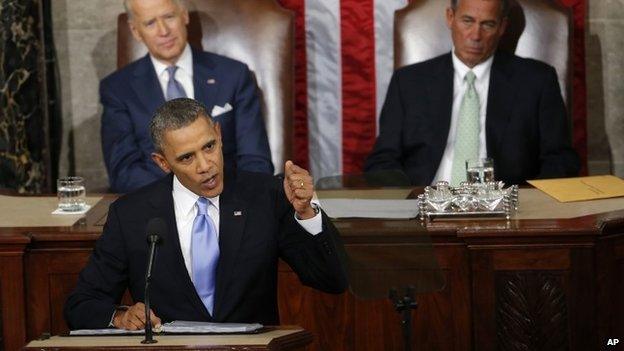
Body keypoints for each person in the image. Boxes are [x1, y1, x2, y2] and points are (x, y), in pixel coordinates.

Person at [65, 98, 348, 330]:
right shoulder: (132, 214)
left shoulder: (265, 195)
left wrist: (307, 214)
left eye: (209, 147)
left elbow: (332, 281)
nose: (205, 165)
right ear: (163, 163)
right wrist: (120, 317)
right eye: (187, 157)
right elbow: (82, 305)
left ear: (219, 134)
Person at [364, 0, 579, 186]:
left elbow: (560, 159)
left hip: (506, 213)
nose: (476, 35)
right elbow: (383, 160)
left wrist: (530, 207)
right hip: (424, 208)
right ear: (450, 17)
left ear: (502, 27)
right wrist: (405, 203)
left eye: (488, 24)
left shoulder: (537, 81)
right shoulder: (408, 82)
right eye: (467, 21)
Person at [101, 0, 273, 193]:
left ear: (184, 15)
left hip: (227, 199)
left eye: (169, 17)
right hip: (159, 207)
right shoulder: (118, 89)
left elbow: (256, 160)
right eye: (150, 23)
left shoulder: (233, 75)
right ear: (135, 31)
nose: (163, 30)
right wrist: (183, 197)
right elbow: (124, 173)